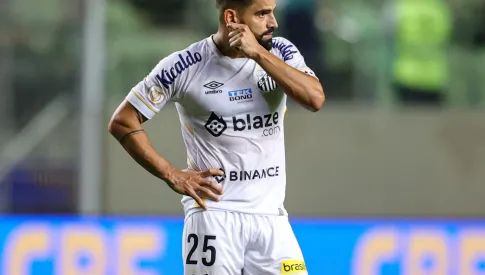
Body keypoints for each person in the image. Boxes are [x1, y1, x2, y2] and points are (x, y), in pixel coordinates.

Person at [108, 0, 325, 274]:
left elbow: (315, 99)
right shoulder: (186, 65)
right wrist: (170, 173)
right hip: (214, 218)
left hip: (272, 218)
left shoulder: (280, 51)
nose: (273, 23)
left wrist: (257, 53)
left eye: (273, 12)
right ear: (232, 17)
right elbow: (123, 121)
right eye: (262, 13)